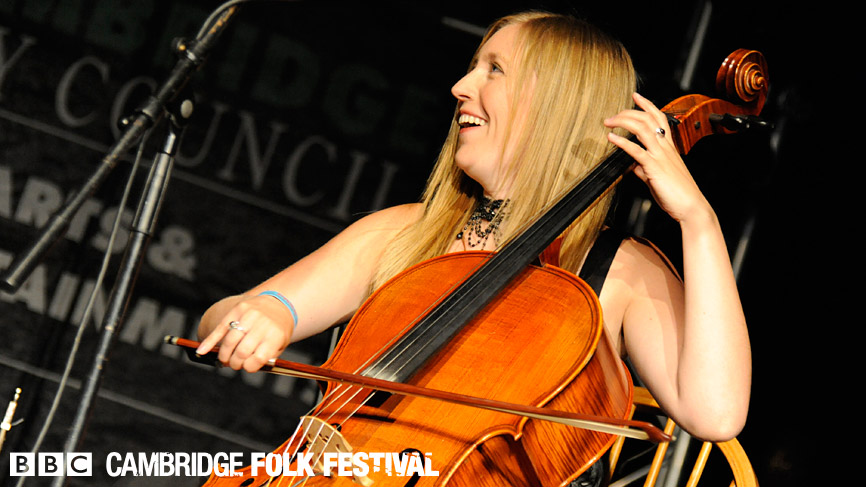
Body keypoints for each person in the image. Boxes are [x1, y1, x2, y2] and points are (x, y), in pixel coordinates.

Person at [197, 8, 750, 464]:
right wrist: (263, 313)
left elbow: (715, 412)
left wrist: (698, 222)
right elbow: (225, 316)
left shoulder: (620, 273)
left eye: (494, 70)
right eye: (472, 68)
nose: (461, 86)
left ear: (556, 101)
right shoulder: (401, 233)